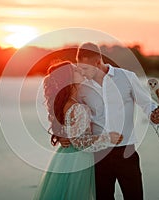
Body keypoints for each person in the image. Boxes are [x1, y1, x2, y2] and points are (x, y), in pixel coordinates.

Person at [59, 43, 159, 200]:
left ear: (98, 62)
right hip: (97, 154)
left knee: (134, 196)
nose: (82, 72)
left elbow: (146, 103)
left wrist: (154, 115)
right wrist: (62, 133)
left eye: (85, 68)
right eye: (80, 68)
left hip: (126, 152)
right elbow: (68, 110)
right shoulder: (81, 87)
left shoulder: (127, 77)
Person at [34, 60, 123, 200]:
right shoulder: (77, 107)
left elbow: (71, 132)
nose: (81, 71)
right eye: (75, 70)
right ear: (68, 78)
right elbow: (79, 142)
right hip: (78, 158)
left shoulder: (68, 102)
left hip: (65, 155)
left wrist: (66, 136)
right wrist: (108, 138)